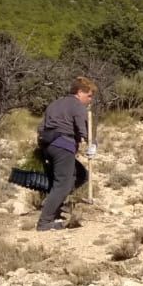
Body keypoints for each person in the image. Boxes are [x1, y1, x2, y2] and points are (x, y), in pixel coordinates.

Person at [36, 77, 96, 231]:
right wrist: (92, 144)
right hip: (63, 146)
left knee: (80, 175)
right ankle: (45, 222)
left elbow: (41, 127)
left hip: (48, 146)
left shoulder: (55, 104)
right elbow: (84, 130)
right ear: (79, 92)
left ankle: (55, 207)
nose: (90, 99)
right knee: (62, 184)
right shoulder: (78, 106)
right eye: (89, 95)